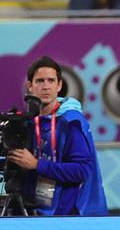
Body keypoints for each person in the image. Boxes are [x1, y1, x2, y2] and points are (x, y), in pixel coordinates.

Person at [6, 57, 107, 216]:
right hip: (33, 210)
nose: (46, 86)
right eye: (40, 81)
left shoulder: (70, 121)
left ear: (59, 85)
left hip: (66, 214)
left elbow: (82, 170)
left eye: (51, 80)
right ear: (30, 86)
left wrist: (37, 164)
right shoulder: (27, 123)